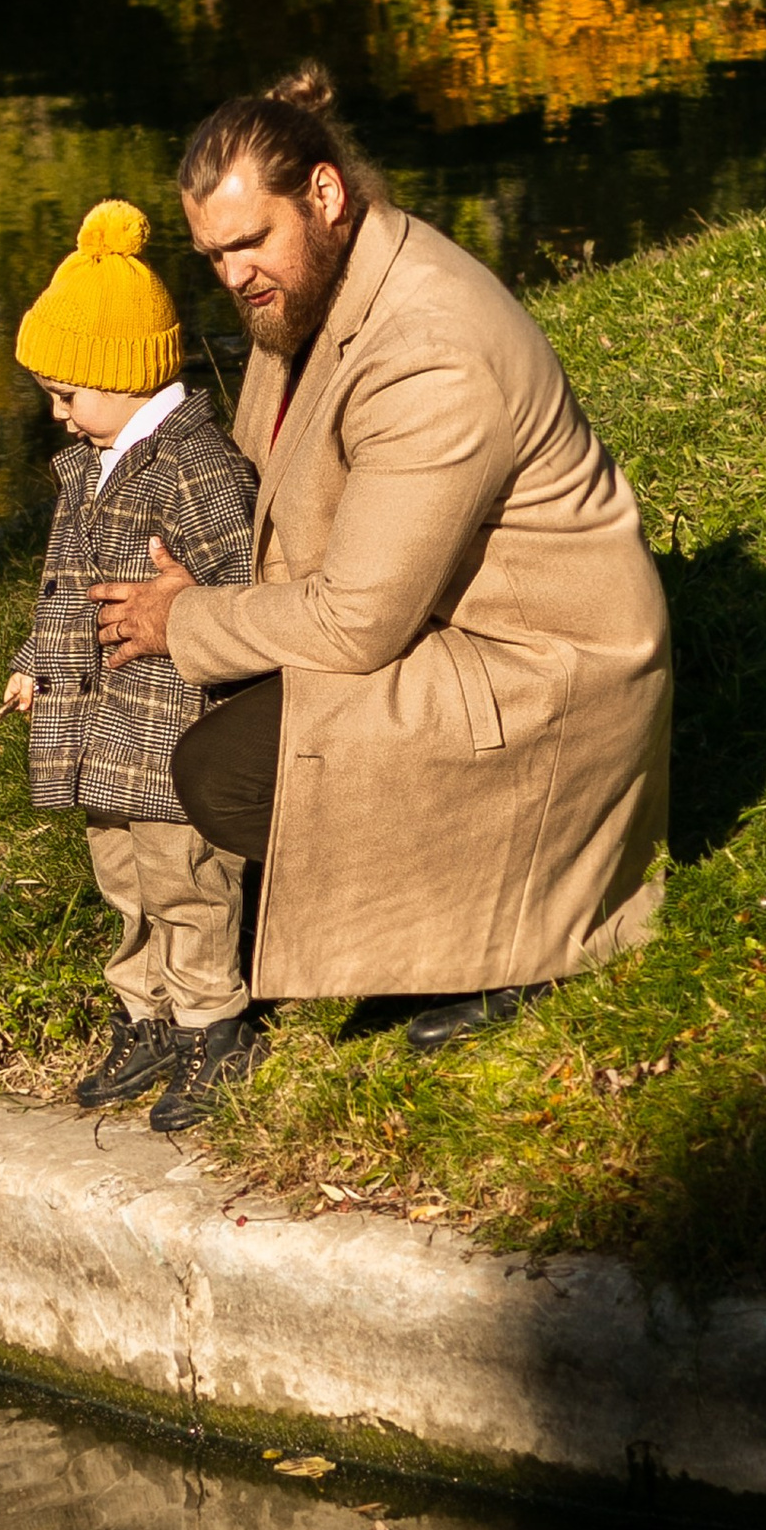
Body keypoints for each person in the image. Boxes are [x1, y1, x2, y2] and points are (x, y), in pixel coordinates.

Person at [89, 65, 671, 1061]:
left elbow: (355, 622)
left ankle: (512, 941)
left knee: (221, 774)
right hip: (444, 629)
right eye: (211, 254)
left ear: (324, 196)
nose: (231, 275)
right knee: (193, 727)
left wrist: (181, 621)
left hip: (537, 679)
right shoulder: (319, 278)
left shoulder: (429, 348)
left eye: (248, 242)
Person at [5, 202, 260, 1137]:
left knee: (185, 874)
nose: (59, 414)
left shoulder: (194, 470)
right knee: (121, 873)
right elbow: (62, 581)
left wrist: (199, 598)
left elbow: (244, 581)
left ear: (125, 376)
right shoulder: (90, 464)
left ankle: (213, 1027)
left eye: (69, 393)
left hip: (168, 718)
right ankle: (143, 1010)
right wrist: (38, 658)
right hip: (95, 721)